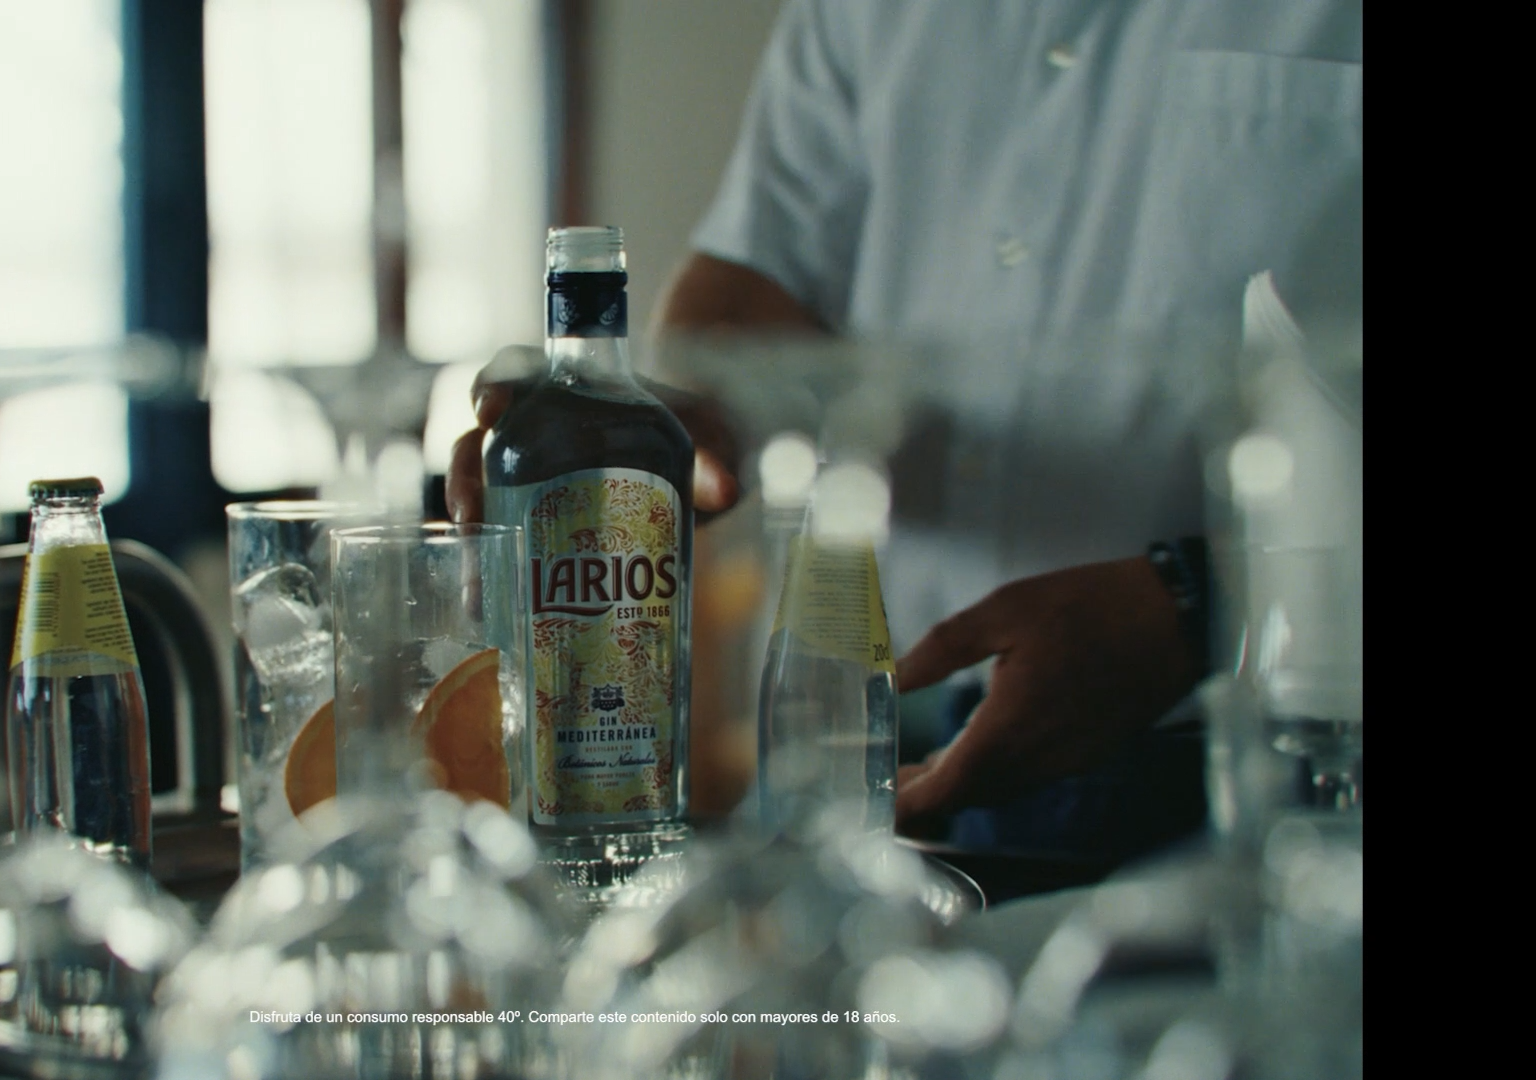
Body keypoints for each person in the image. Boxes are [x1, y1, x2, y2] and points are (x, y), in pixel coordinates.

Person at [448, 0, 1361, 860]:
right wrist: (643, 430)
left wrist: (1198, 602)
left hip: (1250, 751)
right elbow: (759, 289)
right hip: (862, 723)